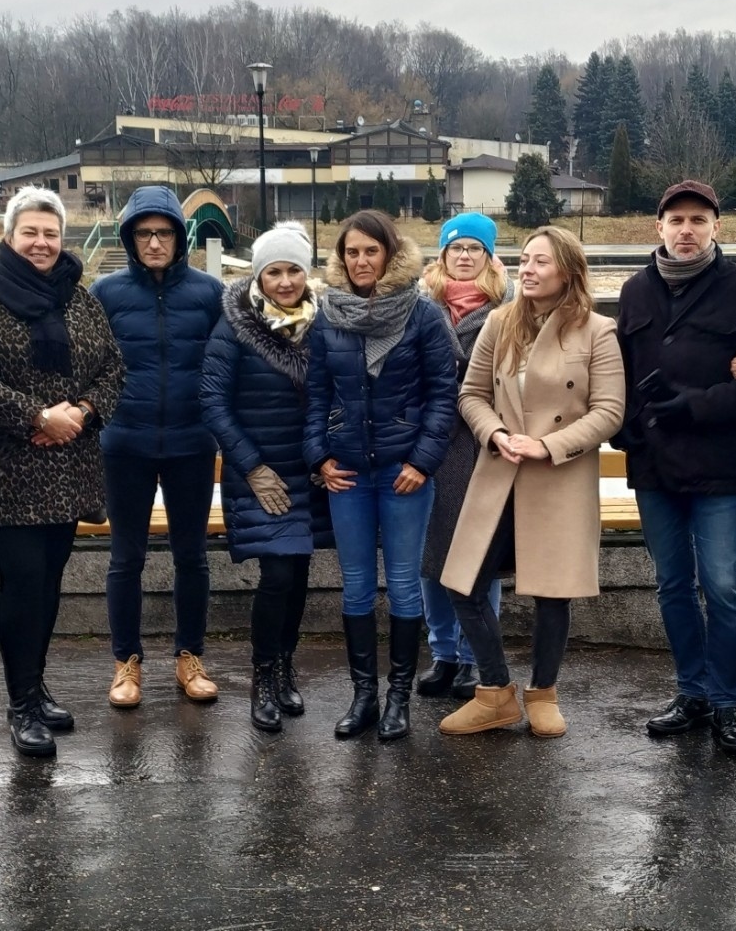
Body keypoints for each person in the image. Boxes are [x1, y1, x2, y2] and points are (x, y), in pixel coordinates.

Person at [0, 187, 124, 757]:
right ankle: (20, 702)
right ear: (7, 237)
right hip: (10, 468)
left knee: (49, 582)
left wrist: (81, 411)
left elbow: (112, 366)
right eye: (30, 232)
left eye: (51, 233)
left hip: (69, 464)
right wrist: (36, 415)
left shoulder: (79, 299)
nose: (41, 242)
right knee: (22, 584)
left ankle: (37, 683)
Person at [438, 226, 625, 737]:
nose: (531, 270)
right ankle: (496, 691)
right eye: (525, 260)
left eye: (542, 261)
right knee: (463, 581)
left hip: (557, 475)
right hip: (499, 470)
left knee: (551, 592)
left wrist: (548, 446)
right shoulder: (501, 323)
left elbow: (609, 411)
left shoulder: (597, 331)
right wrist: (495, 432)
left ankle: (543, 692)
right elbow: (470, 394)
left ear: (568, 269)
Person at [616, 179, 736, 759]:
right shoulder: (634, 292)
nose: (687, 230)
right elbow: (620, 373)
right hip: (653, 467)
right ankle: (692, 694)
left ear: (716, 227)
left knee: (725, 588)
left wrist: (699, 404)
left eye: (698, 220)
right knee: (673, 585)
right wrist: (621, 425)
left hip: (717, 466)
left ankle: (728, 704)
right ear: (658, 227)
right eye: (676, 220)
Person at [305, 209, 457, 741]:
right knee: (355, 589)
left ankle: (399, 698)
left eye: (371, 251)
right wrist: (317, 456)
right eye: (352, 252)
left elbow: (444, 395)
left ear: (390, 255)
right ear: (340, 259)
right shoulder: (328, 315)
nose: (361, 261)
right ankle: (363, 695)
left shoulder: (423, 314)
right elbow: (317, 394)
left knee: (406, 589)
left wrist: (422, 461)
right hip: (346, 470)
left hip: (402, 473)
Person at [90, 185, 224, 709]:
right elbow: (90, 365)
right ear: (129, 238)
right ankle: (127, 662)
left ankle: (189, 656)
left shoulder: (209, 293)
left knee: (192, 556)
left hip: (192, 441)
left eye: (163, 233)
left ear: (178, 237)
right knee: (126, 558)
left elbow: (224, 365)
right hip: (126, 441)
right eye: (143, 233)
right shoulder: (107, 293)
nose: (153, 242)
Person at [200, 222, 333, 732]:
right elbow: (212, 401)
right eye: (273, 271)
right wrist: (251, 467)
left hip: (309, 472)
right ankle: (262, 675)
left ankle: (284, 667)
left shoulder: (323, 324)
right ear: (258, 275)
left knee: (298, 574)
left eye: (293, 270)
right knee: (277, 574)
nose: (284, 281)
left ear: (307, 273)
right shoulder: (234, 327)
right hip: (259, 471)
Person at [417, 212, 510, 702]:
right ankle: (443, 654)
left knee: (480, 555)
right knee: (430, 557)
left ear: (489, 256)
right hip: (428, 445)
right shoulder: (419, 306)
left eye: (475, 248)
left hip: (481, 443)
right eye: (456, 247)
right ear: (443, 255)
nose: (465, 256)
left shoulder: (509, 309)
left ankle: (476, 657)